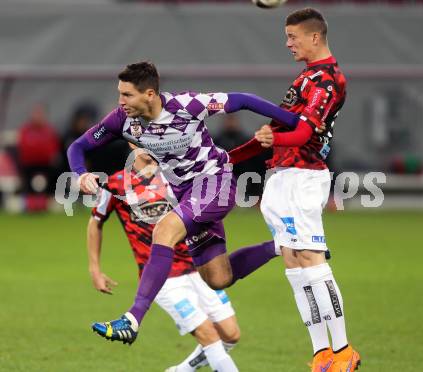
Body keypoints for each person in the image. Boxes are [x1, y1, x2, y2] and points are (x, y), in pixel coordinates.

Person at [67, 60, 317, 346]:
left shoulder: (188, 105)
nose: (120, 101)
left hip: (216, 182)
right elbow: (78, 147)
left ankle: (132, 319)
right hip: (186, 194)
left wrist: (296, 124)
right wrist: (80, 174)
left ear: (149, 94)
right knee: (218, 277)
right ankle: (284, 242)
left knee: (164, 231)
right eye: (119, 94)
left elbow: (243, 100)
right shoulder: (122, 120)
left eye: (127, 95)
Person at [228, 8, 360, 372]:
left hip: (304, 176)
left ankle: (345, 349)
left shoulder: (330, 80)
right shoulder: (305, 78)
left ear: (314, 37)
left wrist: (275, 137)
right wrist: (229, 158)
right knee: (293, 261)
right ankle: (322, 352)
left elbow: (304, 134)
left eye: (293, 37)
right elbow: (272, 132)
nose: (287, 43)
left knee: (312, 260)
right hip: (280, 177)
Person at [88, 144, 240, 371]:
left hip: (198, 265)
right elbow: (95, 222)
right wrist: (95, 269)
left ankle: (181, 370)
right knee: (208, 335)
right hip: (164, 277)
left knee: (231, 334)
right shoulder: (115, 183)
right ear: (131, 143)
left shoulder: (177, 176)